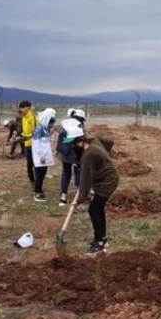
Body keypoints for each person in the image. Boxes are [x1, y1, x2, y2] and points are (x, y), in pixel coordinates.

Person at [64, 124, 120, 255]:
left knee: (93, 209)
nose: (73, 147)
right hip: (106, 177)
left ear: (80, 141)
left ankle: (99, 243)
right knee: (98, 208)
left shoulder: (88, 156)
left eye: (73, 144)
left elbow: (86, 181)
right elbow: (109, 142)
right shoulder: (93, 140)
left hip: (108, 181)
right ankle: (103, 238)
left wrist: (79, 200)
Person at [56, 109, 86, 206]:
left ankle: (63, 197)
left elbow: (62, 138)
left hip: (64, 153)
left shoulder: (65, 123)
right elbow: (81, 140)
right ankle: (79, 194)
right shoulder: (79, 125)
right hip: (74, 153)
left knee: (66, 173)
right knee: (78, 172)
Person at [32, 107, 57, 202]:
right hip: (40, 156)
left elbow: (49, 140)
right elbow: (36, 144)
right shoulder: (39, 129)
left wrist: (51, 133)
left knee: (43, 174)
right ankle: (37, 193)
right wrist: (41, 155)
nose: (52, 121)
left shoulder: (46, 128)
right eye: (51, 119)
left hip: (45, 155)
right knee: (39, 174)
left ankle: (40, 191)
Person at [18, 100, 38, 193]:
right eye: (20, 107)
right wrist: (21, 136)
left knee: (34, 164)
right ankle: (32, 182)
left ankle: (37, 183)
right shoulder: (24, 118)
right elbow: (25, 131)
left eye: (23, 107)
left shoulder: (32, 117)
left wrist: (28, 138)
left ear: (28, 107)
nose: (21, 109)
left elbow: (35, 132)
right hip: (26, 144)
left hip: (33, 144)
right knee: (29, 164)